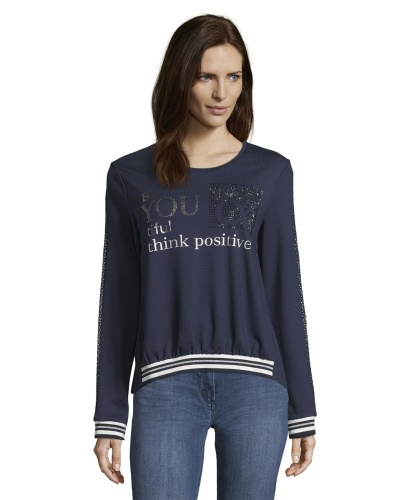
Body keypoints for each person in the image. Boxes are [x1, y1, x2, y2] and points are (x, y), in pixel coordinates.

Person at [93, 13, 317, 499]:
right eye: (205, 77)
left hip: (256, 386)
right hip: (164, 386)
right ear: (181, 79)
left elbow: (283, 290)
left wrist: (303, 408)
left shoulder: (270, 173)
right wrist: (109, 413)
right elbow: (120, 299)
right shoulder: (131, 177)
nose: (222, 93)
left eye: (233, 76)